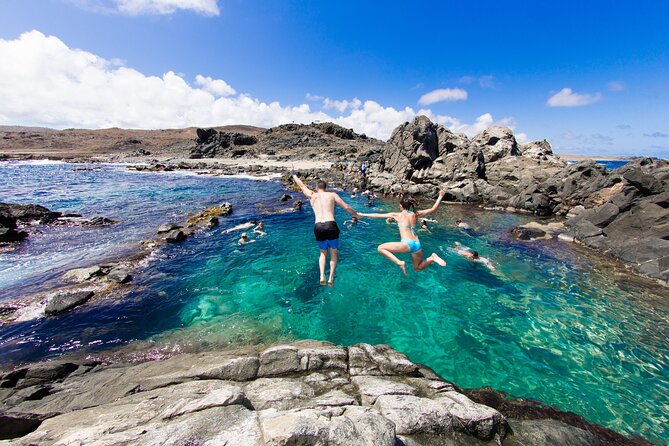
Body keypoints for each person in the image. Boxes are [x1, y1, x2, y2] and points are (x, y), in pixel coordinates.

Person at [291, 169, 359, 287]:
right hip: (331, 225)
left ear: (317, 187)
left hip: (318, 226)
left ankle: (322, 275)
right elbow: (346, 207)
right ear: (325, 188)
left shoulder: (312, 195)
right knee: (334, 253)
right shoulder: (332, 195)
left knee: (323, 253)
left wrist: (293, 174)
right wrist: (355, 214)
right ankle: (331, 278)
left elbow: (301, 186)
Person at [359, 190, 447, 275]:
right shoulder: (416, 214)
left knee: (380, 248)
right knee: (417, 268)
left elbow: (377, 215)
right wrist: (440, 196)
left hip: (407, 243)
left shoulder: (398, 215)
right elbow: (433, 209)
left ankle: (400, 263)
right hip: (417, 244)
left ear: (401, 206)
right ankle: (432, 258)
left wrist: (362, 214)